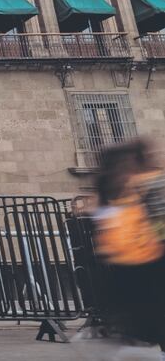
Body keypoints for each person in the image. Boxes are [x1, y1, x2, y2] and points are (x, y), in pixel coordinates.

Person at [89, 139, 165, 359]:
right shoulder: (120, 187)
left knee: (152, 313)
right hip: (137, 259)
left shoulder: (141, 184)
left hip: (142, 259)